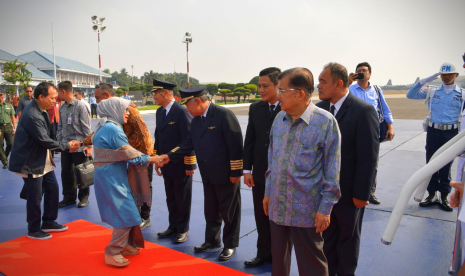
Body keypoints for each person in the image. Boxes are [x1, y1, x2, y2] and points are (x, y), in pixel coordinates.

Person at [263, 67, 341, 276]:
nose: (278, 95)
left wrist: (325, 208)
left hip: (306, 208)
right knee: (278, 263)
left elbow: (332, 170)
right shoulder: (279, 120)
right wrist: (268, 192)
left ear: (299, 93)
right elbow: (272, 161)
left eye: (282, 90)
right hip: (278, 205)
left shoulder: (325, 122)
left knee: (312, 265)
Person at [160, 86, 243, 261]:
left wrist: (236, 171)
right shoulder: (197, 120)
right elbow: (187, 143)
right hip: (208, 173)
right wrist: (168, 156)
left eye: (187, 105)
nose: (186, 109)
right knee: (211, 210)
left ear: (197, 101)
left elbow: (235, 145)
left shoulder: (223, 115)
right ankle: (212, 241)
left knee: (229, 212)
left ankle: (230, 245)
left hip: (226, 174)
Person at [316, 62, 379, 276]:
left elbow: (368, 157)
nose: (318, 86)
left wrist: (362, 194)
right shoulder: (320, 110)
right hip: (324, 193)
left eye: (323, 81)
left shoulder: (363, 111)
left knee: (348, 240)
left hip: (350, 193)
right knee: (326, 239)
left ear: (339, 83)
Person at [92, 97, 164, 267]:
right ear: (114, 110)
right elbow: (131, 155)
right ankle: (113, 251)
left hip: (109, 175)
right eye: (124, 110)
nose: (127, 114)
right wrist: (155, 158)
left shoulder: (104, 125)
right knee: (125, 214)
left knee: (127, 211)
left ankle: (125, 245)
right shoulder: (113, 129)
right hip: (112, 178)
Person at [9, 82, 80, 240]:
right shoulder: (32, 114)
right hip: (30, 161)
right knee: (35, 196)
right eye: (52, 97)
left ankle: (48, 221)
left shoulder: (40, 108)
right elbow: (44, 140)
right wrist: (66, 146)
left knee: (53, 188)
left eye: (56, 97)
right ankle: (33, 229)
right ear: (41, 97)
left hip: (41, 157)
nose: (55, 100)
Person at [82, 83, 154, 228]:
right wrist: (81, 142)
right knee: (130, 187)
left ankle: (144, 217)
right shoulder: (112, 112)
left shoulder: (125, 107)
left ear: (106, 95)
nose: (96, 101)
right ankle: (133, 217)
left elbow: (144, 133)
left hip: (138, 153)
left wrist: (146, 158)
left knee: (143, 185)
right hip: (124, 155)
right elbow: (99, 132)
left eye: (97, 97)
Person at [407, 62, 462, 212]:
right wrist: (424, 80)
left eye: (449, 74)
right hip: (434, 132)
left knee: (446, 164)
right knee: (430, 163)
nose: (445, 77)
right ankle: (431, 195)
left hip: (452, 132)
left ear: (456, 75)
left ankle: (444, 196)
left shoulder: (462, 94)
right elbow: (410, 95)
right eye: (443, 74)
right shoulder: (432, 91)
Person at [243, 67, 281, 267]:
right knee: (261, 215)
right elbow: (250, 140)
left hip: (282, 175)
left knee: (280, 219)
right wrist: (247, 170)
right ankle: (263, 253)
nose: (261, 90)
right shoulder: (255, 108)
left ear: (278, 85)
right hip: (258, 173)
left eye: (265, 86)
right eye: (259, 86)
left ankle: (280, 257)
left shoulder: (288, 108)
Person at [153, 79, 196, 243]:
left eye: (156, 93)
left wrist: (190, 163)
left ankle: (183, 229)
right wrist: (157, 159)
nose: (154, 97)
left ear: (165, 93)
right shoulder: (159, 112)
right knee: (170, 196)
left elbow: (189, 139)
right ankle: (173, 226)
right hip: (166, 163)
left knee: (182, 197)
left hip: (180, 164)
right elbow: (158, 137)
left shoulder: (181, 111)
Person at [348, 62, 394, 205]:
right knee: (352, 161)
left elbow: (384, 109)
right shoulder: (349, 89)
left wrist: (390, 127)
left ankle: (370, 192)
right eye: (358, 71)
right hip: (353, 129)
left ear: (370, 74)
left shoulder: (376, 89)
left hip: (372, 129)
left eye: (364, 70)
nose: (361, 73)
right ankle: (351, 191)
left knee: (372, 162)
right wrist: (348, 81)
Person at [56, 81, 92, 208]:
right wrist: (59, 143)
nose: (57, 94)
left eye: (58, 91)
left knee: (82, 173)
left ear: (64, 91)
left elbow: (87, 128)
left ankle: (84, 197)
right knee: (66, 173)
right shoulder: (61, 107)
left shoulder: (80, 106)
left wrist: (89, 146)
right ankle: (69, 197)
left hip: (79, 147)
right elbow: (60, 126)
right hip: (66, 146)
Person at [0, 91, 17, 169]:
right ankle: (5, 162)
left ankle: (4, 157)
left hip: (8, 126)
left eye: (2, 96)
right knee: (0, 145)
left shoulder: (9, 105)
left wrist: (15, 127)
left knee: (11, 144)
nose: (1, 98)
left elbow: (13, 117)